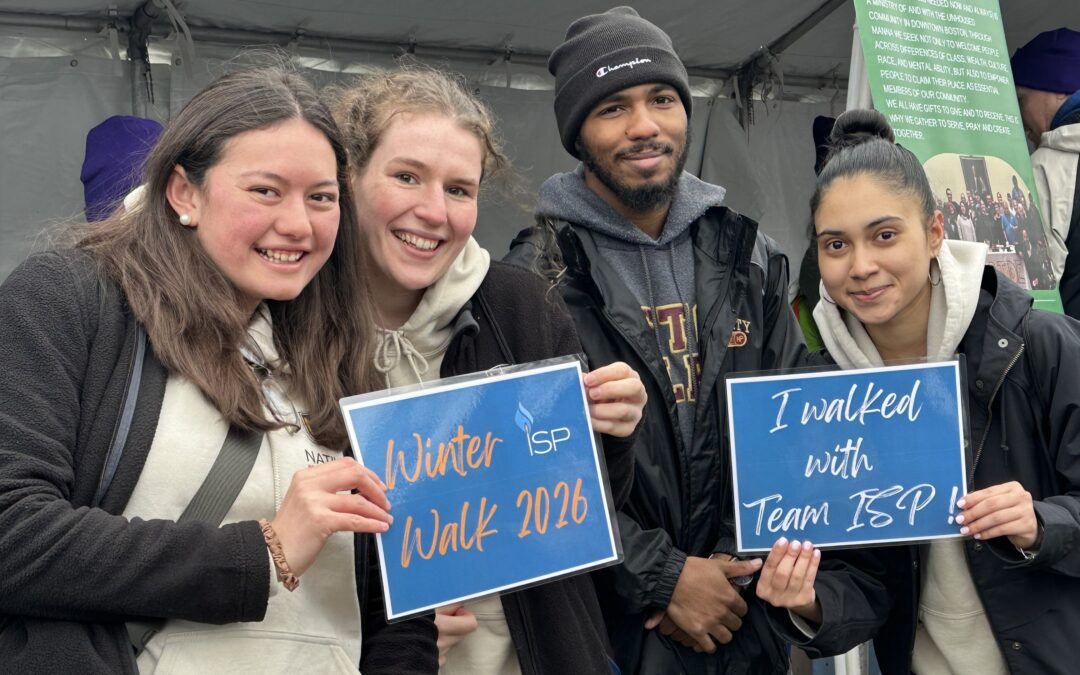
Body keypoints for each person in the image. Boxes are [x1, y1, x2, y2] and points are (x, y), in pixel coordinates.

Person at [0, 66, 437, 674]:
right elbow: (12, 532)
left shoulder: (340, 352)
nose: (298, 224)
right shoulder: (73, 299)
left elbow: (398, 605)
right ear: (184, 193)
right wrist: (265, 552)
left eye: (321, 197)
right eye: (265, 190)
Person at [504, 6, 806, 673]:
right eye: (613, 107)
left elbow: (787, 427)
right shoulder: (535, 278)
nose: (645, 126)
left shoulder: (750, 253)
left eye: (662, 99)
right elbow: (527, 480)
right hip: (610, 629)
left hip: (743, 616)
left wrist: (727, 573)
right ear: (577, 132)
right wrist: (665, 577)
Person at [330, 65, 647, 675]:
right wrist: (388, 631)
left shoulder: (521, 307)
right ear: (350, 176)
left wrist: (611, 435)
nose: (433, 211)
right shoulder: (296, 322)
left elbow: (587, 510)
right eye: (406, 177)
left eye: (459, 189)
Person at [755, 109, 1080, 675]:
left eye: (884, 235)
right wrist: (808, 600)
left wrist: (1042, 523)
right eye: (835, 245)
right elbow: (866, 584)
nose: (861, 266)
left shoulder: (1040, 346)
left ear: (933, 233)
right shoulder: (819, 393)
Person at [1012, 27, 1080, 316]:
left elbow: (1036, 288)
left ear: (1058, 90)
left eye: (1023, 99)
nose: (1022, 119)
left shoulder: (1048, 167)